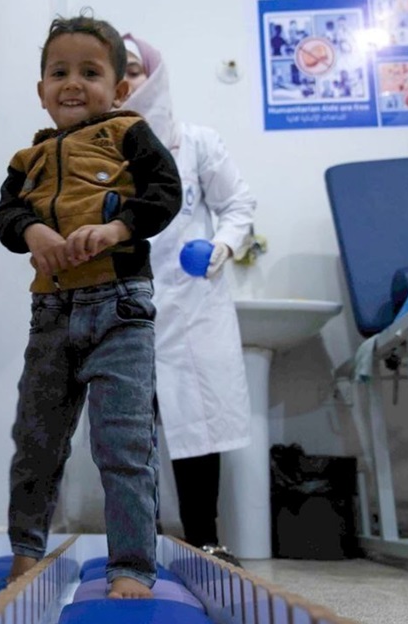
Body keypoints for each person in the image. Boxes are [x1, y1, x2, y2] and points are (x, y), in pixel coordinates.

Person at [0, 15, 182, 599]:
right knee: (36, 441)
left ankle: (130, 565)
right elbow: (6, 215)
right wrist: (34, 235)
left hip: (118, 309)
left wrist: (121, 227)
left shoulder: (129, 133)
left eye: (90, 72)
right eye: (59, 72)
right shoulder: (27, 159)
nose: (72, 83)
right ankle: (26, 554)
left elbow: (165, 192)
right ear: (42, 89)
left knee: (123, 444)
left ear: (120, 88)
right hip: (51, 314)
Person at [119, 33, 255, 566]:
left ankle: (206, 539)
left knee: (198, 421)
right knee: (131, 426)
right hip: (127, 300)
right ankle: (139, 542)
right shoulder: (96, 147)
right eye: (117, 69)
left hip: (191, 301)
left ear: (153, 74)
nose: (126, 78)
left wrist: (221, 246)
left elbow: (238, 203)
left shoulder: (196, 142)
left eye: (133, 67)